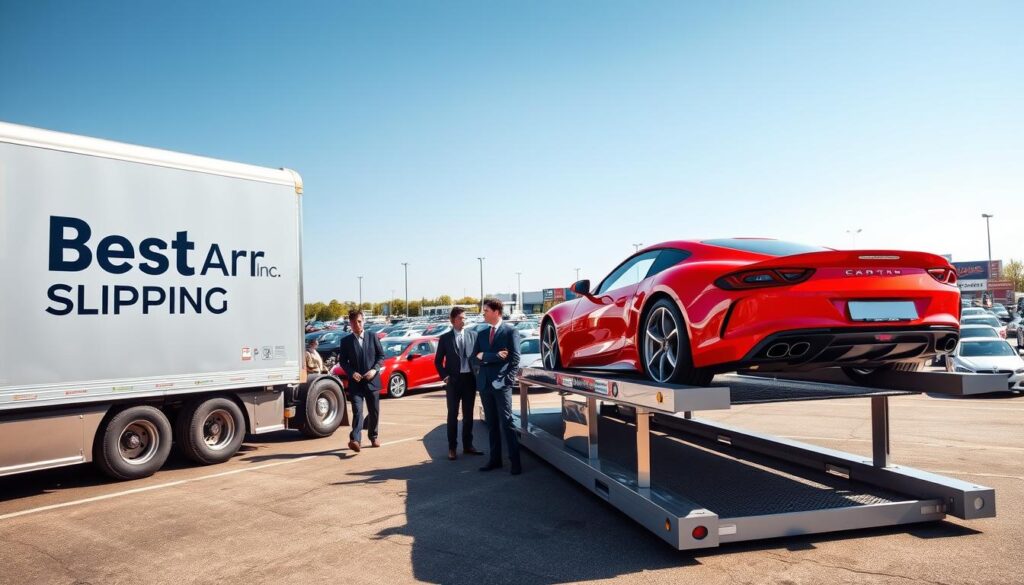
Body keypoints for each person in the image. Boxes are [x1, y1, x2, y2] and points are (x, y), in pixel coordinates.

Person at [472, 298, 522, 475]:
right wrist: (492, 356)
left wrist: (508, 379)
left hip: (502, 385)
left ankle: (515, 461)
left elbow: (515, 359)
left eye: (486, 310)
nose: (483, 313)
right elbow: (473, 358)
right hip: (485, 384)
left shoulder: (510, 331)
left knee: (507, 423)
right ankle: (495, 460)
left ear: (496, 312)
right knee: (491, 424)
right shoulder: (482, 333)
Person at [434, 307, 483, 460]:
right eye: (461, 318)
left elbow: (478, 357)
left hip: (469, 380)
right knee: (452, 415)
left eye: (464, 318)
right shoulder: (445, 338)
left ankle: (468, 445)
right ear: (453, 320)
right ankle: (452, 448)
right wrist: (445, 377)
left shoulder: (473, 336)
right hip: (453, 382)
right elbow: (438, 361)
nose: (464, 321)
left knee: (468, 415)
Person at [337, 309, 385, 453]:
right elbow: (343, 362)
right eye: (353, 322)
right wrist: (352, 373)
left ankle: (373, 436)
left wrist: (374, 370)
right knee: (357, 411)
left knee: (374, 411)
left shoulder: (372, 336)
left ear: (363, 321)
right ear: (350, 324)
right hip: (356, 384)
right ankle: (355, 440)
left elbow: (381, 356)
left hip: (372, 382)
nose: (357, 324)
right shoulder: (345, 341)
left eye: (359, 321)